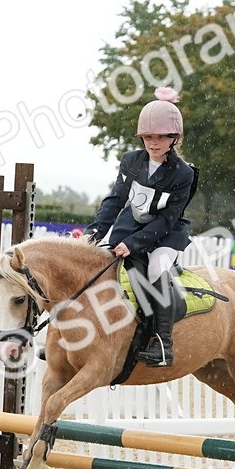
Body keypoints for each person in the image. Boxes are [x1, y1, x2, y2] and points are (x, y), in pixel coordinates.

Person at [85, 87, 196, 367]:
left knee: (157, 266)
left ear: (174, 138)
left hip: (166, 235)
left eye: (160, 137)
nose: (153, 143)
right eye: (148, 137)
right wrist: (95, 231)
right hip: (131, 226)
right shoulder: (132, 161)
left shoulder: (184, 174)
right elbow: (116, 199)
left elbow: (166, 219)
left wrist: (134, 244)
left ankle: (163, 344)